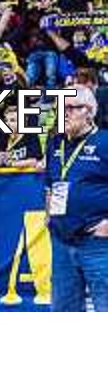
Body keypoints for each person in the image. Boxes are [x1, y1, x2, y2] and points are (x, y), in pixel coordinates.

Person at [45, 85, 108, 311]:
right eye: (60, 108)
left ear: (89, 112)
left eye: (71, 108)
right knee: (64, 311)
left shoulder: (104, 142)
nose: (64, 114)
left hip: (98, 242)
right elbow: (51, 183)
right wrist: (49, 216)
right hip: (62, 241)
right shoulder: (55, 143)